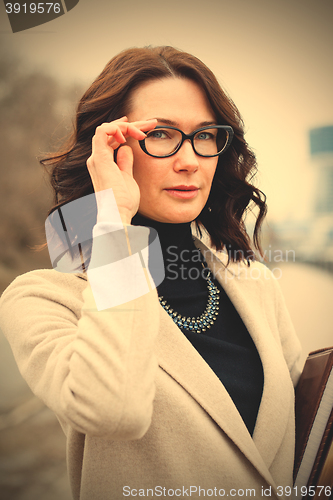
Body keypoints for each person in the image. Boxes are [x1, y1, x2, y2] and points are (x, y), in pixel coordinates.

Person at [0, 46, 301, 499]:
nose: (190, 160)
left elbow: (308, 427)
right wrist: (112, 218)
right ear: (108, 148)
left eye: (205, 135)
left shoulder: (253, 282)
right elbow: (114, 409)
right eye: (161, 134)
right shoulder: (43, 298)